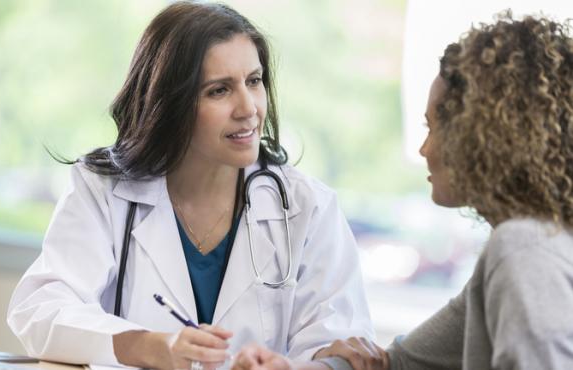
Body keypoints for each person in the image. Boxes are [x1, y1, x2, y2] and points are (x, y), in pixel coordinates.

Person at [6, 1, 374, 369]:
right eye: (219, 90)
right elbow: (40, 310)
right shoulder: (103, 191)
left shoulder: (307, 208)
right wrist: (151, 346)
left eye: (254, 81)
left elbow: (340, 348)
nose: (248, 108)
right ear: (170, 103)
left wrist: (285, 367)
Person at [230, 13, 573, 370]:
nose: (425, 149)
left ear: (483, 136)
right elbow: (400, 364)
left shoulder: (522, 248)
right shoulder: (536, 243)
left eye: (434, 127)